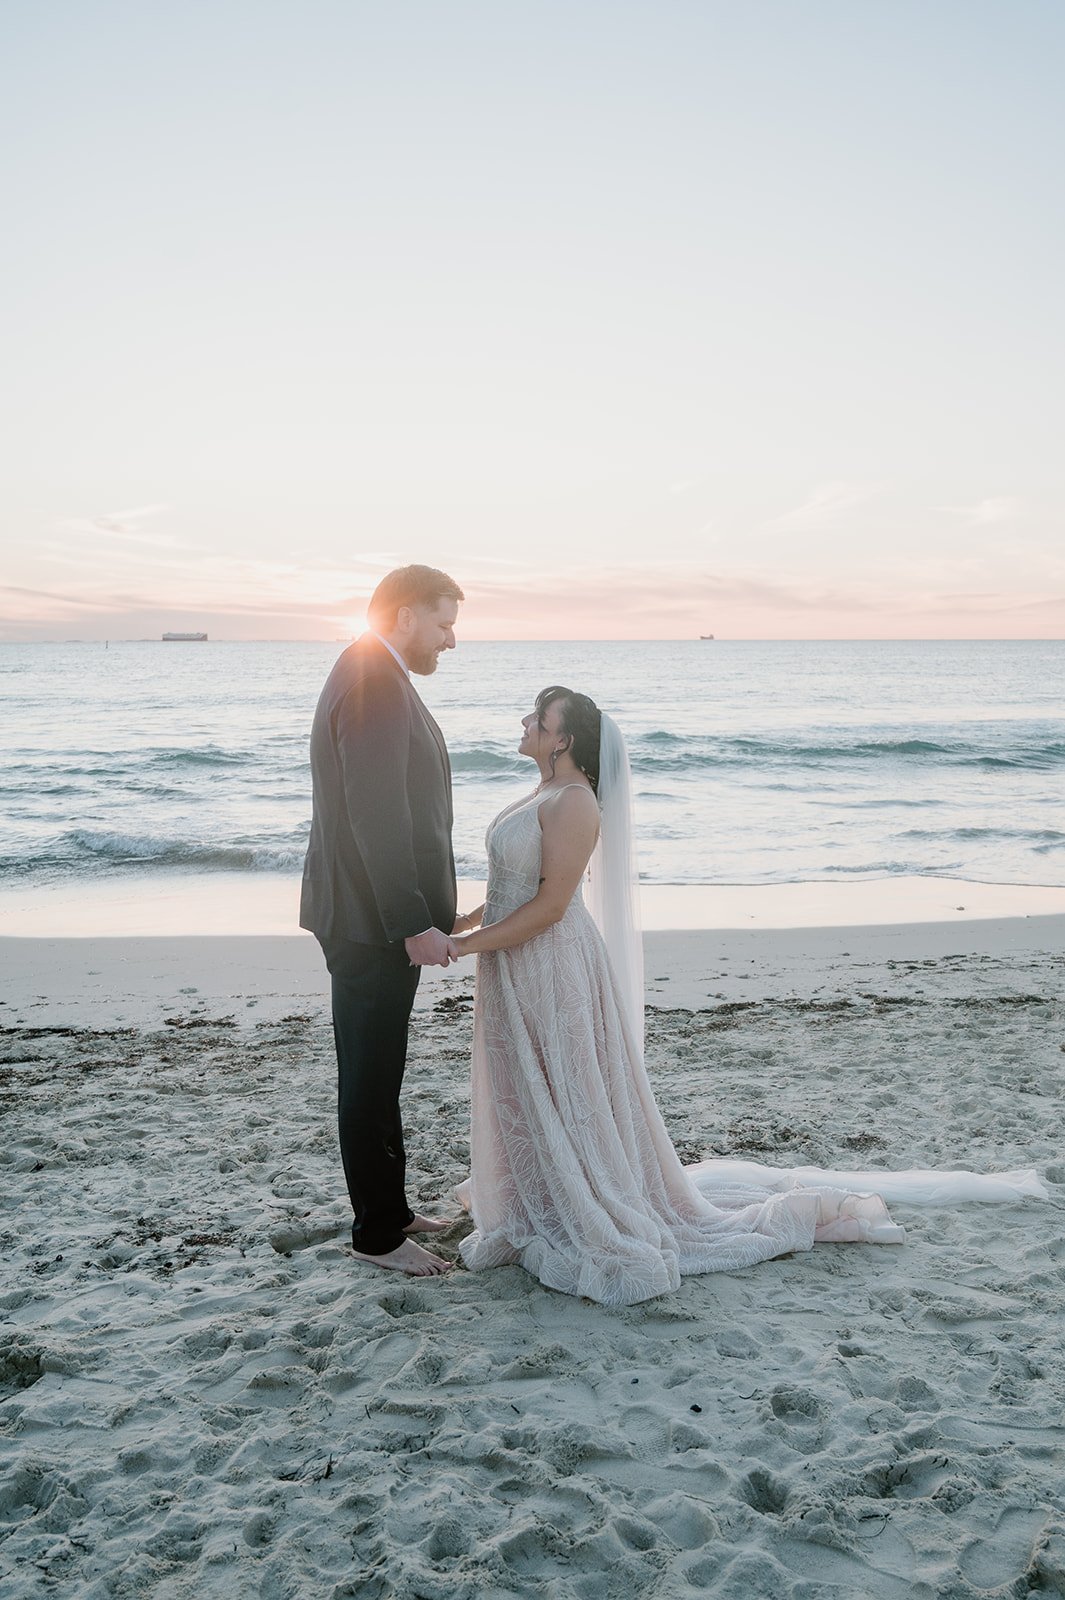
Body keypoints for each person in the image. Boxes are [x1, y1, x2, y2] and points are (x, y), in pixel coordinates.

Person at [446, 687, 1046, 1307]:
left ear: (562, 738)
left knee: (566, 1085)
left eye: (536, 719)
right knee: (526, 1082)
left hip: (551, 965)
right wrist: (463, 925)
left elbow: (549, 907)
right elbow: (513, 888)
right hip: (512, 960)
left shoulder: (575, 803)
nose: (523, 723)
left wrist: (464, 948)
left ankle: (584, 1202)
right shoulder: (541, 792)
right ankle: (537, 1193)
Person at [300, 564, 464, 1277]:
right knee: (368, 1079)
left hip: (375, 921)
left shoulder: (378, 672)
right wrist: (410, 921)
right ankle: (375, 1236)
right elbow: (377, 814)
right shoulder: (371, 674)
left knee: (382, 1072)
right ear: (402, 616)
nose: (450, 640)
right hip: (371, 924)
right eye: (443, 622)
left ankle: (391, 1210)